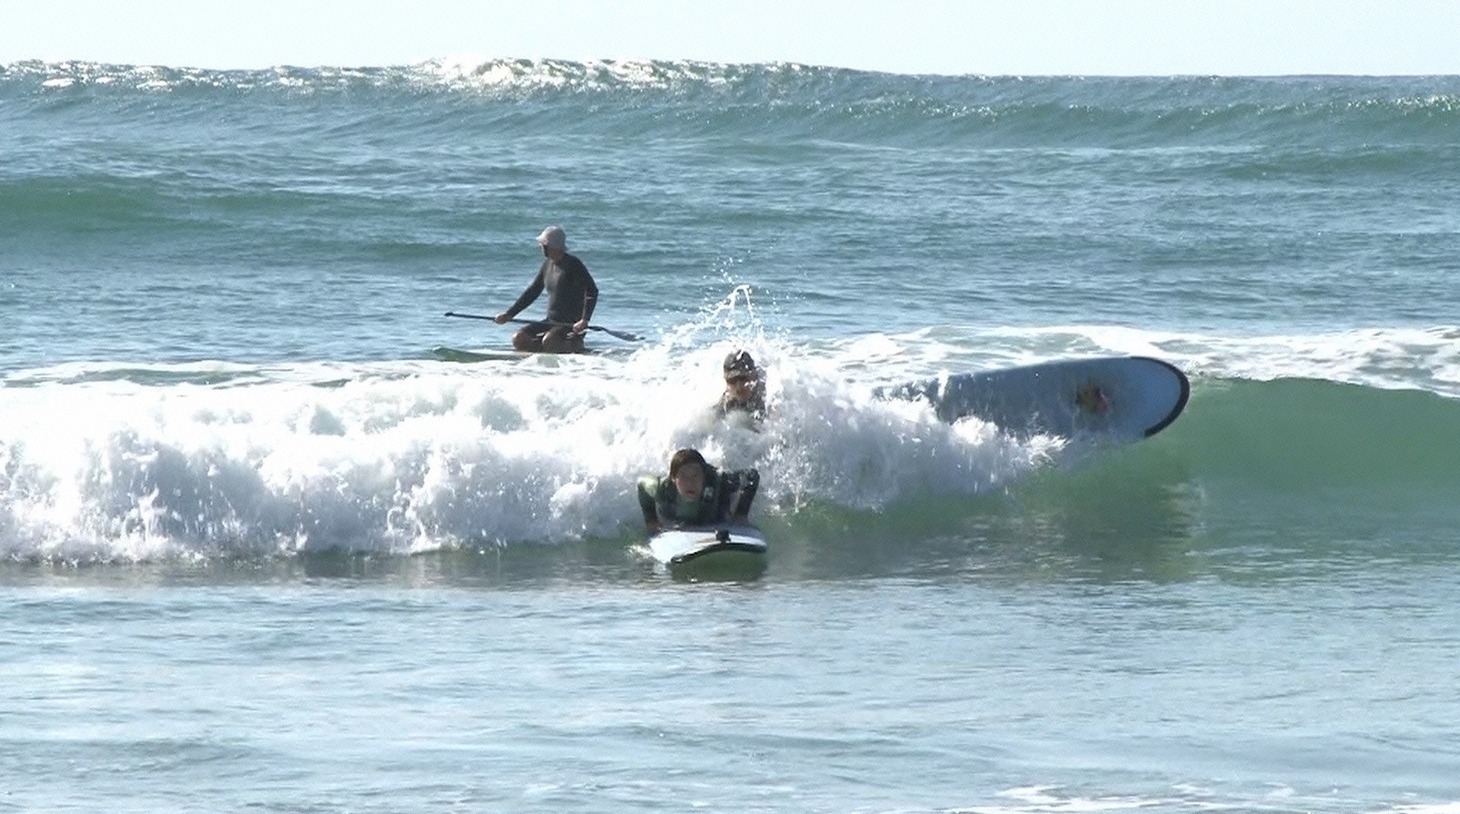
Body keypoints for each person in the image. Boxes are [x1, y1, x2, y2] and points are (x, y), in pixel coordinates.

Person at [494, 225, 598, 353]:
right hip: (551, 321)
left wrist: (584, 320)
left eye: (543, 244)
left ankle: (575, 347)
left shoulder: (573, 264)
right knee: (519, 338)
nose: (540, 247)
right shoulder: (547, 264)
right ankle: (536, 366)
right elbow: (533, 291)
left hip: (571, 324)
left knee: (549, 341)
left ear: (551, 246)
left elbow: (592, 291)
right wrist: (509, 314)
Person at [637, 448, 760, 534]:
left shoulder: (719, 480)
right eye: (684, 476)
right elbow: (641, 484)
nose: (690, 482)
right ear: (674, 478)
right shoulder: (662, 488)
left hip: (715, 516)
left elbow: (751, 476)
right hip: (677, 519)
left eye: (696, 475)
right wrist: (651, 520)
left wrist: (741, 514)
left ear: (704, 476)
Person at [716, 349, 766, 422]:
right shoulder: (724, 403)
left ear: (754, 377)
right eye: (732, 381)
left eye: (743, 379)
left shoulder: (769, 398)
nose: (739, 387)